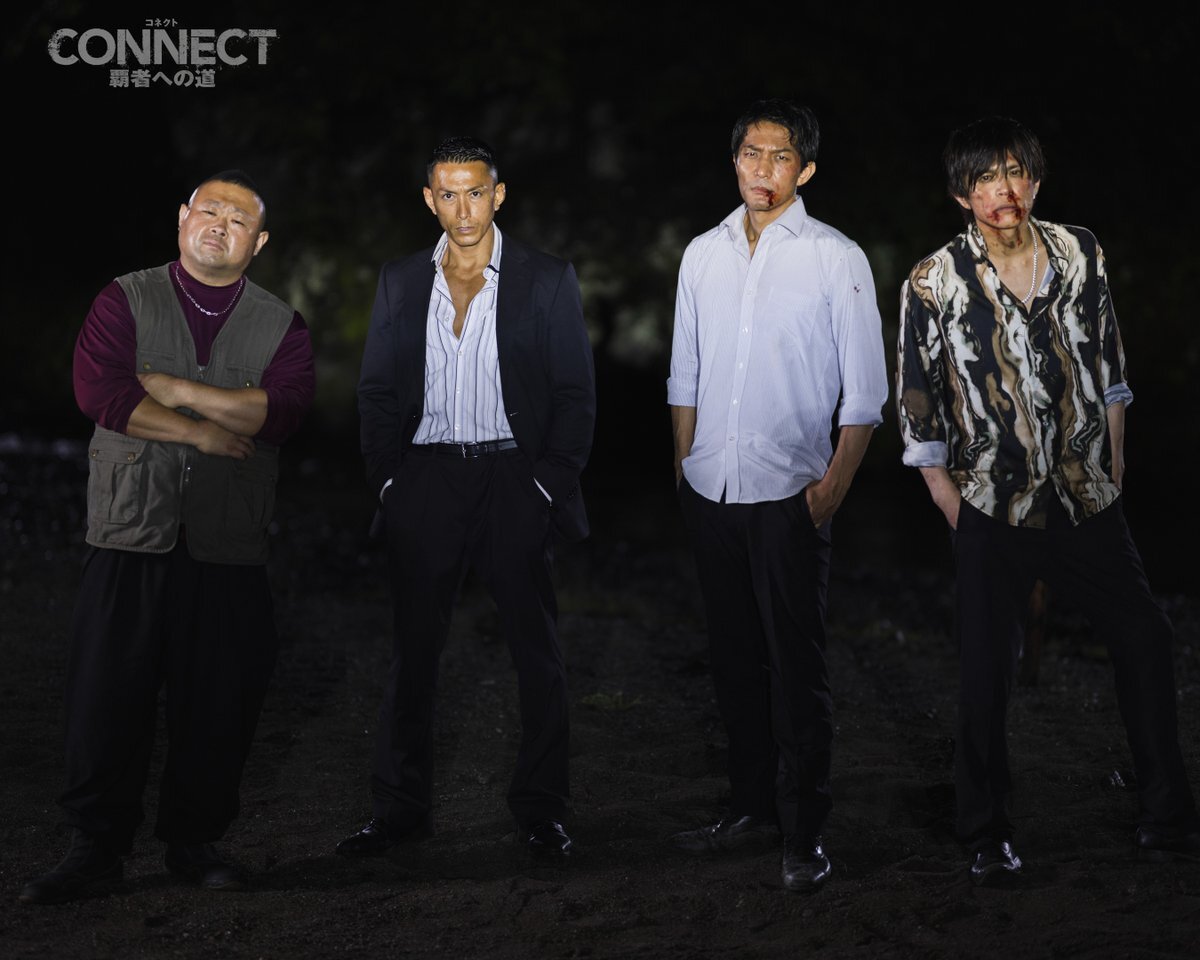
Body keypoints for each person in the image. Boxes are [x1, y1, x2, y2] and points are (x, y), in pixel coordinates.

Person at [897, 116, 1199, 882]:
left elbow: (1109, 361)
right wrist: (952, 504)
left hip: (1085, 497)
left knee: (1145, 636)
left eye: (1016, 171)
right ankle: (985, 832)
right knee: (985, 670)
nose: (1005, 189)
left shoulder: (1078, 250)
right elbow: (918, 406)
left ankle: (1167, 816)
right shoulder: (932, 280)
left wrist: (1114, 459)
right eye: (986, 177)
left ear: (1034, 178)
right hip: (990, 503)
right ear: (962, 194)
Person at [19, 172, 315, 904]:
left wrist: (176, 391)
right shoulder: (124, 298)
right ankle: (96, 848)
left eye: (238, 219)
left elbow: (280, 413)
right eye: (208, 210)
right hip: (130, 531)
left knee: (219, 698)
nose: (219, 224)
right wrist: (204, 432)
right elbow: (103, 393)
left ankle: (195, 842)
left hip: (227, 541)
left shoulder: (282, 325)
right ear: (183, 217)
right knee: (106, 694)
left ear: (259, 242)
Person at [344, 137, 595, 859]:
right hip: (425, 481)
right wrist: (390, 482)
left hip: (514, 478)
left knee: (536, 652)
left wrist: (544, 486)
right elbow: (377, 391)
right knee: (413, 653)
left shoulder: (546, 278)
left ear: (498, 195)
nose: (463, 209)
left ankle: (542, 811)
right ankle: (399, 812)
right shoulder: (400, 280)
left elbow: (576, 395)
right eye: (449, 194)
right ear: (430, 199)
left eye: (476, 192)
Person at [667, 100, 888, 892]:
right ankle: (750, 808)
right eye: (752, 155)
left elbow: (866, 392)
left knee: (797, 667)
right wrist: (686, 467)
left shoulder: (836, 258)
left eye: (781, 157)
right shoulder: (702, 253)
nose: (764, 169)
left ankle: (805, 832)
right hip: (712, 491)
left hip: (791, 494)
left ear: (807, 170)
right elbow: (685, 373)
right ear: (735, 162)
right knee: (732, 659)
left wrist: (831, 490)